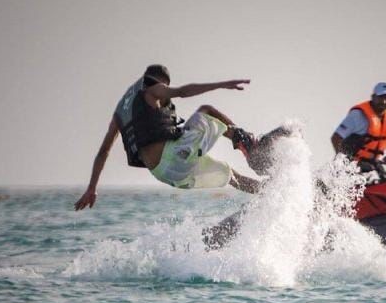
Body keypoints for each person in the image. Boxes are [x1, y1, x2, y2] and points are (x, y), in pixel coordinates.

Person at [75, 64, 260, 211]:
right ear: (160, 82)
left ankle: (265, 192)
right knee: (206, 110)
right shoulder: (152, 89)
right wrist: (221, 84)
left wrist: (92, 188)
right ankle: (248, 143)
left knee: (231, 175)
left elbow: (103, 152)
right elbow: (182, 92)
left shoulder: (121, 112)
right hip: (173, 155)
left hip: (165, 173)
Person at [331, 82, 386, 174]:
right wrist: (347, 163)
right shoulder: (358, 115)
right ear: (373, 97)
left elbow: (383, 138)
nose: (384, 101)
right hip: (350, 167)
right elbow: (335, 138)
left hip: (370, 166)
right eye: (381, 97)